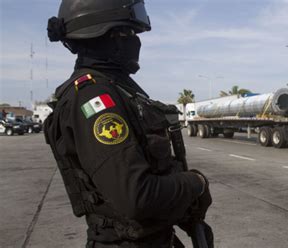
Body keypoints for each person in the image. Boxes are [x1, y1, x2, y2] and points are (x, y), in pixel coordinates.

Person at [44, 1, 213, 247]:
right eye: (129, 32)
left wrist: (184, 212)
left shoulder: (120, 89)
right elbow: (136, 196)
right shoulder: (95, 97)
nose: (135, 41)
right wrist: (196, 182)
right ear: (108, 33)